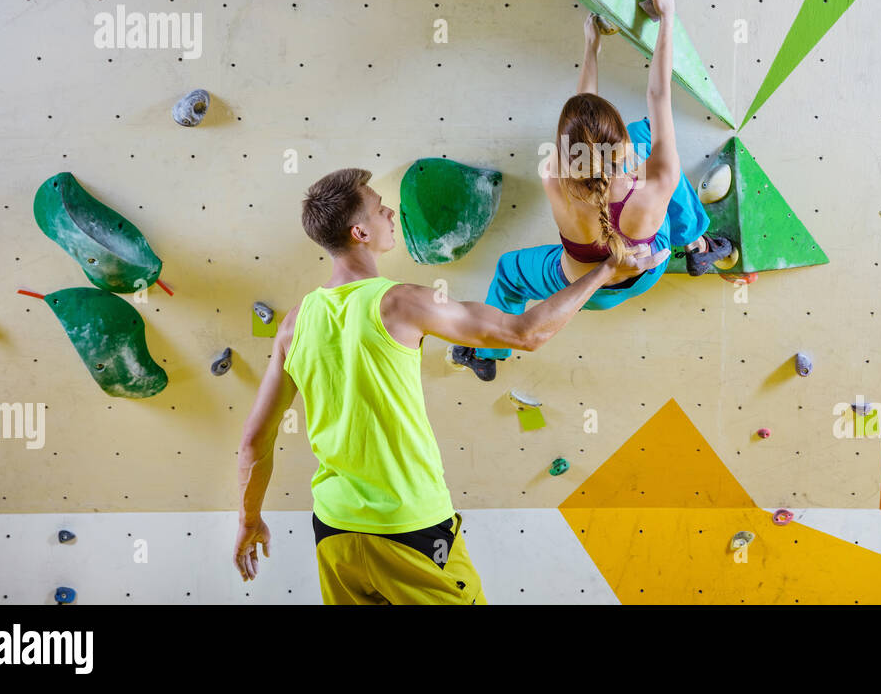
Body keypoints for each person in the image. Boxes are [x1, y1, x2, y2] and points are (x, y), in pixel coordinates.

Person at [233, 168, 664, 604]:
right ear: (359, 231)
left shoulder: (294, 323)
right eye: (378, 206)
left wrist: (249, 520)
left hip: (334, 532)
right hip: (411, 529)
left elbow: (254, 441)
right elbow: (525, 334)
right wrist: (605, 271)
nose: (389, 211)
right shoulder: (402, 301)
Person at [452, 0, 734, 382]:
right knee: (651, 133)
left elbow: (583, 119)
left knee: (508, 272)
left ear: (567, 151)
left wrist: (591, 47)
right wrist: (666, 18)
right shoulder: (659, 175)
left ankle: (486, 354)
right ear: (617, 140)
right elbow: (658, 93)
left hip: (585, 291)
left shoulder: (553, 176)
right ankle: (696, 245)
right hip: (648, 271)